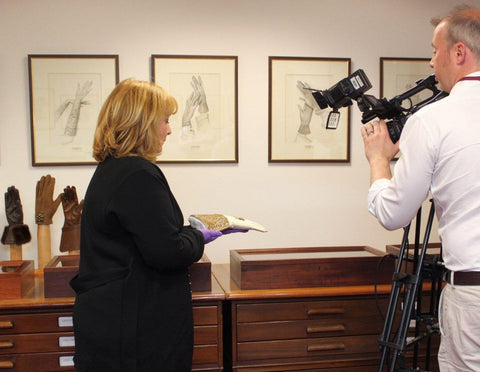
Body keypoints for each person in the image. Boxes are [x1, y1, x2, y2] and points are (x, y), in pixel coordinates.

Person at [70, 78, 233, 372]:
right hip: (134, 330)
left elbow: (148, 237)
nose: (169, 129)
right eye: (165, 120)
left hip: (110, 321)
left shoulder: (110, 169)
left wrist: (184, 233)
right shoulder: (137, 174)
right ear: (142, 123)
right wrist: (196, 235)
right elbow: (167, 252)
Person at [361, 6, 480, 371]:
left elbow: (393, 213)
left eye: (434, 50)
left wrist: (380, 160)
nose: (431, 63)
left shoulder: (431, 119)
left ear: (458, 53)